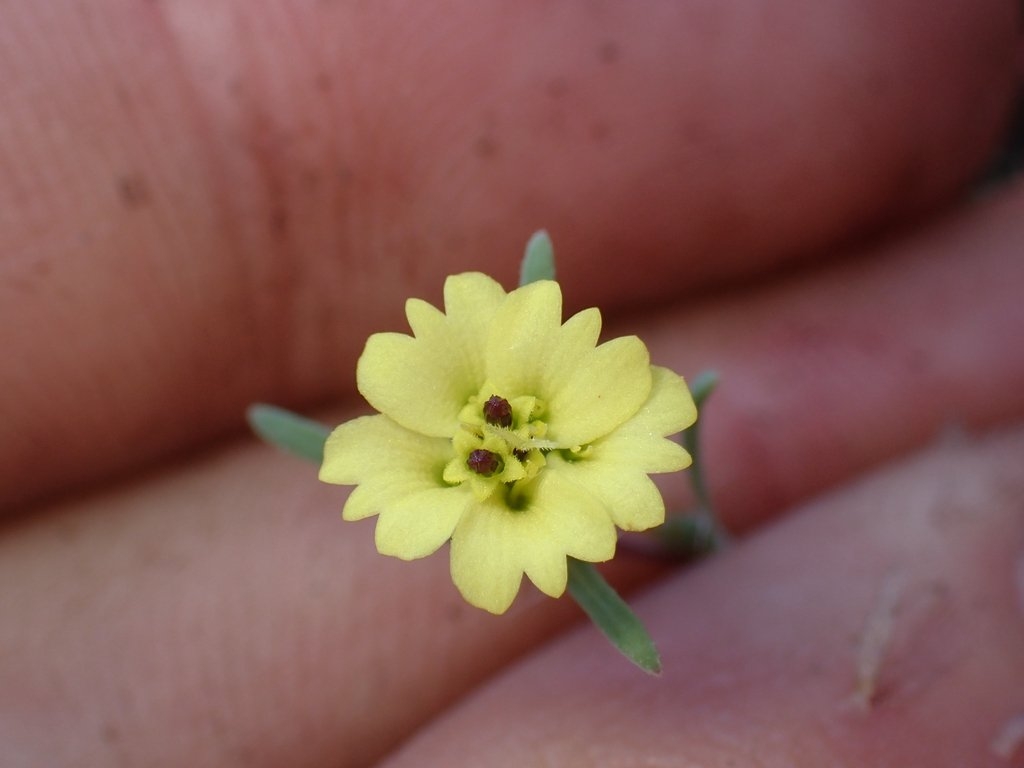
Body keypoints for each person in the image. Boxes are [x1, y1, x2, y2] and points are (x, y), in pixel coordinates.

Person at [1, 2, 1022, 765]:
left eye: (499, 437)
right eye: (494, 444)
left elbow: (629, 415)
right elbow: (438, 491)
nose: (501, 441)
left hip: (592, 469)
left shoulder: (546, 406)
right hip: (540, 504)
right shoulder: (463, 475)